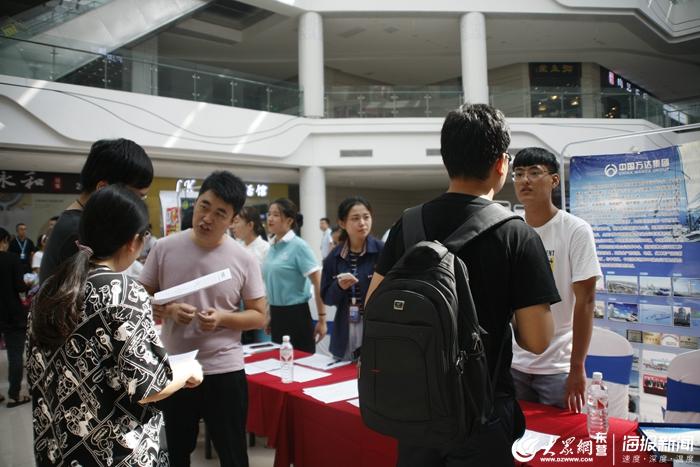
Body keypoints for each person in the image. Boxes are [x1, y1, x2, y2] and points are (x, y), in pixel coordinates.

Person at [367, 103, 559, 466]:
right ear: (502, 163)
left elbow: (374, 306)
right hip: (481, 414)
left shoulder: (408, 225)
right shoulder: (516, 234)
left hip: (416, 410)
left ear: (446, 158)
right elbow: (537, 340)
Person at [26, 185, 203, 467]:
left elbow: (37, 372)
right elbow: (148, 386)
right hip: (114, 454)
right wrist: (189, 370)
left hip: (59, 450)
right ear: (134, 241)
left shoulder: (50, 289)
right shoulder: (122, 290)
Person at [140, 171, 267, 467]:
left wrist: (223, 317)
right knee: (175, 452)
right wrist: (166, 309)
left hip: (224, 368)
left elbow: (259, 316)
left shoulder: (243, 258)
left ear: (233, 219)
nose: (207, 217)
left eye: (220, 213)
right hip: (175, 366)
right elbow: (138, 299)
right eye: (203, 206)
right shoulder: (164, 248)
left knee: (233, 453)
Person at [510, 148, 603, 413]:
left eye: (534, 172)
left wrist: (577, 367)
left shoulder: (575, 230)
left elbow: (586, 301)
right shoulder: (510, 228)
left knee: (558, 446)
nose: (524, 180)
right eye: (518, 174)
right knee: (516, 442)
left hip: (558, 367)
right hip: (514, 363)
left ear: (554, 180)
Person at [40, 138, 153, 283]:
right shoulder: (80, 231)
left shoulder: (79, 223)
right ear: (103, 189)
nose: (137, 205)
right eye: (136, 197)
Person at [321, 196, 383, 360]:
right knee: (342, 375)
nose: (362, 223)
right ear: (342, 223)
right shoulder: (334, 257)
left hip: (376, 325)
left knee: (372, 373)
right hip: (345, 324)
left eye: (366, 217)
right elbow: (327, 298)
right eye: (355, 218)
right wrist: (339, 286)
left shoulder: (382, 252)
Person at [262, 198, 327, 353]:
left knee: (302, 366)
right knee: (279, 365)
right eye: (269, 214)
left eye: (276, 215)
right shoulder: (272, 246)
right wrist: (269, 313)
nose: (270, 218)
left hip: (297, 315)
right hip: (276, 314)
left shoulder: (299, 246)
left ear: (289, 220)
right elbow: (271, 284)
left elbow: (318, 283)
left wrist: (322, 319)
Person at [0, 227, 31, 407]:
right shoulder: (12, 259)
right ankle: (14, 395)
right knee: (15, 355)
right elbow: (19, 287)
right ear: (4, 240)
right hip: (12, 313)